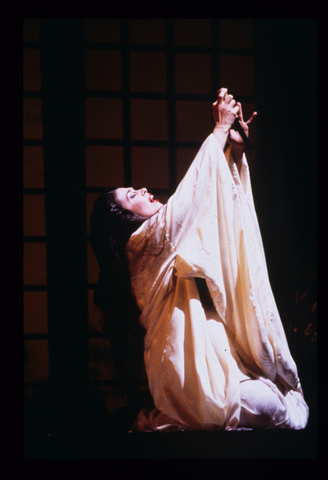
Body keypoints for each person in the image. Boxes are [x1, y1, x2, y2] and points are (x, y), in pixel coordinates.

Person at [90, 88, 309, 431]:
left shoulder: (161, 240)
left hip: (209, 354)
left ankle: (175, 417)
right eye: (132, 195)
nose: (144, 190)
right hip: (183, 365)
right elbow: (192, 197)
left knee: (271, 401)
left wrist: (233, 155)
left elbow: (218, 210)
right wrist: (220, 129)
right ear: (124, 220)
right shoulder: (141, 245)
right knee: (270, 406)